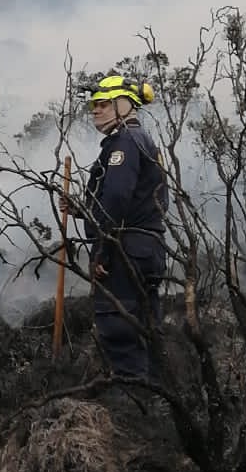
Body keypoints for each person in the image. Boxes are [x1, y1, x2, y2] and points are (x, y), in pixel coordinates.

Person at [60, 74, 168, 383]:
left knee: (119, 327)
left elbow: (118, 199)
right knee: (147, 327)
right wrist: (82, 209)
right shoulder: (142, 140)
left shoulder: (124, 142)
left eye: (103, 104)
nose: (95, 110)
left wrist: (104, 254)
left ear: (124, 105)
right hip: (147, 247)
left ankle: (130, 405)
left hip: (126, 250)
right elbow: (136, 199)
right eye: (93, 105)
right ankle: (158, 400)